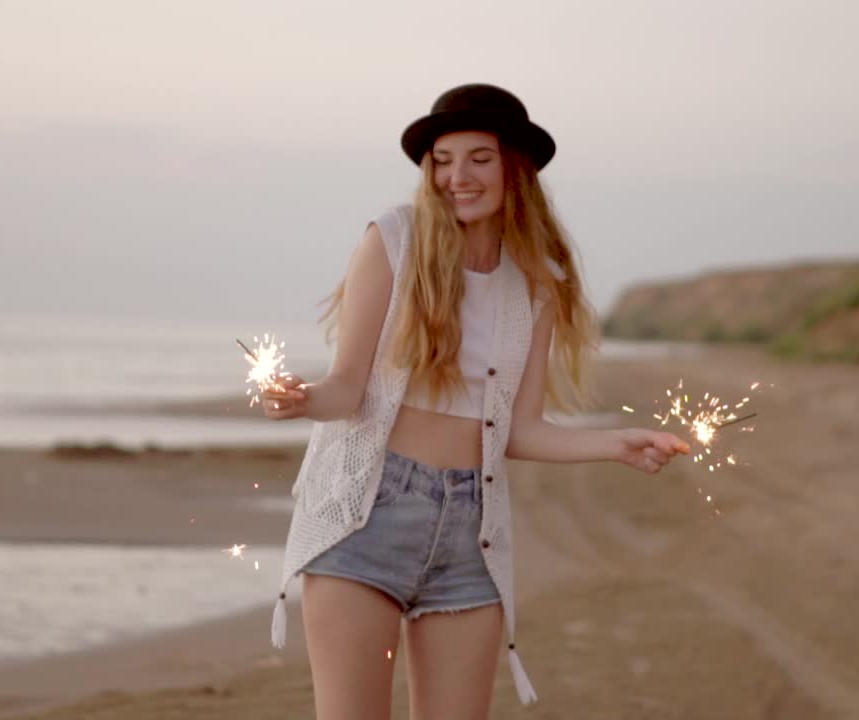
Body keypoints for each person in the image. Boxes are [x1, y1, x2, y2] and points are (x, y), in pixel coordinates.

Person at [260, 83, 690, 720]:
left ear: (515, 167)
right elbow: (346, 389)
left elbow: (520, 430)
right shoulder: (393, 241)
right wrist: (301, 398)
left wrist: (614, 445)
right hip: (365, 517)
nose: (457, 176)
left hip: (471, 533)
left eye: (478, 159)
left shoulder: (538, 282)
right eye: (442, 160)